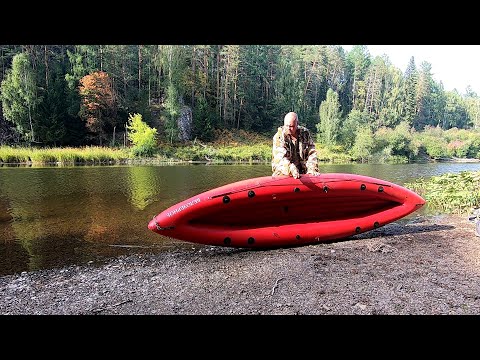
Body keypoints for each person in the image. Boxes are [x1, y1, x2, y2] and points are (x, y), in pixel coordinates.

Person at [272, 111, 320, 179]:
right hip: (283, 173)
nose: (288, 128)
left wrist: (312, 168)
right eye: (286, 125)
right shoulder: (279, 137)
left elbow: (312, 152)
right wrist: (290, 168)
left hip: (303, 173)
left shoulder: (305, 133)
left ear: (297, 124)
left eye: (291, 126)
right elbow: (280, 159)